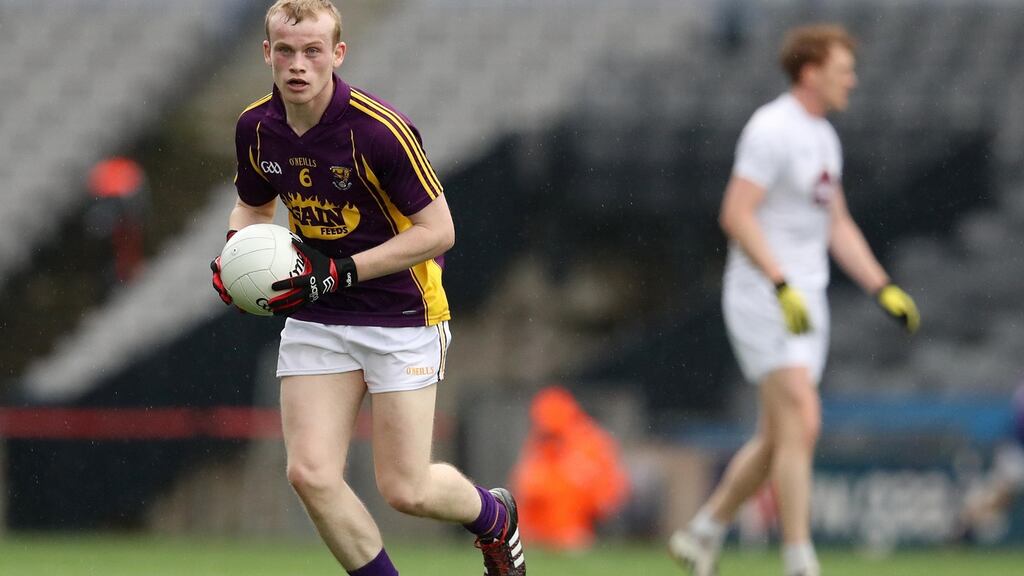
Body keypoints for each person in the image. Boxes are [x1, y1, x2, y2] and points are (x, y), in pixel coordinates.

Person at [209, 2, 525, 575]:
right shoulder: (255, 127)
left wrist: (343, 271)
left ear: (338, 53)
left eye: (312, 51)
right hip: (319, 313)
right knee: (309, 474)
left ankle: (494, 518)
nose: (298, 64)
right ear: (267, 54)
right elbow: (254, 205)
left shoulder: (378, 131)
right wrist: (234, 252)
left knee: (407, 489)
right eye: (285, 50)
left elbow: (440, 232)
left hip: (402, 313)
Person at [668, 24, 920, 576]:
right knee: (803, 418)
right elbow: (736, 214)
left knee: (777, 436)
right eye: (842, 69)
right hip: (764, 295)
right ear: (810, 72)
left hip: (809, 298)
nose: (851, 80)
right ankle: (799, 559)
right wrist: (780, 282)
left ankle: (703, 531)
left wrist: (882, 287)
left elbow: (838, 224)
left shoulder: (824, 137)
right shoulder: (771, 129)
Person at [511, 386, 629, 551]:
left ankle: (570, 536)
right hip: (538, 529)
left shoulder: (590, 440)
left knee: (563, 486)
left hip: (586, 520)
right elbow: (524, 486)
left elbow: (608, 488)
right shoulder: (539, 445)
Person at [957, 385, 1024, 542]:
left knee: (1001, 499)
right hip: (1017, 453)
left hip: (1014, 452)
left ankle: (965, 523)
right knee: (999, 497)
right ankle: (964, 524)